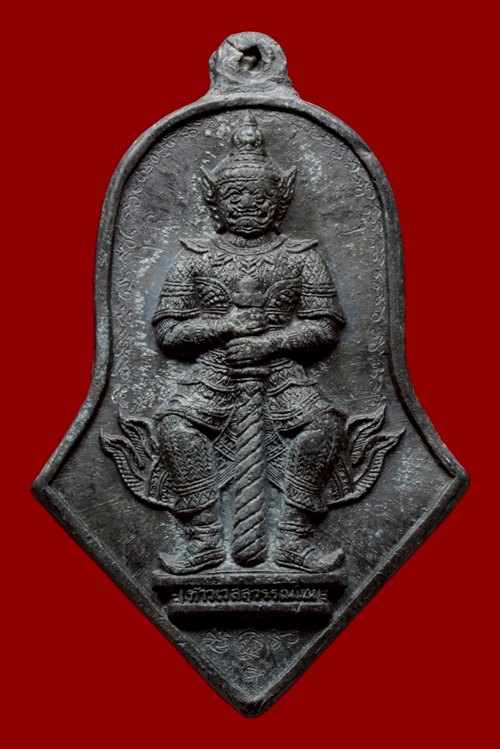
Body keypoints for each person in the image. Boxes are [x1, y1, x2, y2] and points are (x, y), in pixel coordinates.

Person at [153, 113, 345, 574]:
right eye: (235, 196)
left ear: (279, 202)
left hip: (281, 371)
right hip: (213, 373)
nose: (246, 205)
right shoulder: (195, 257)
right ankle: (203, 538)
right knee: (175, 427)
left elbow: (323, 327)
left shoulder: (302, 256)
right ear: (215, 203)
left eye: (259, 196)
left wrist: (271, 343)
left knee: (324, 426)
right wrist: (223, 327)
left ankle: (294, 537)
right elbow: (168, 332)